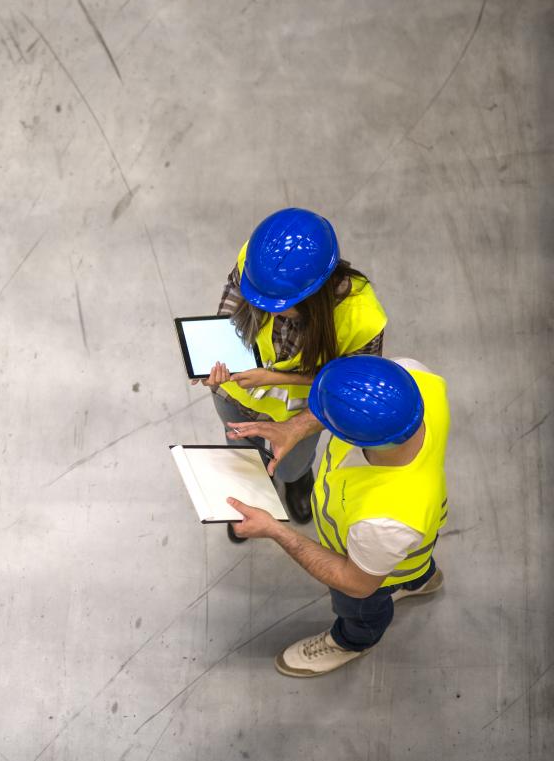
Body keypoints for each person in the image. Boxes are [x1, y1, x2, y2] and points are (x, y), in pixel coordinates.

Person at [225, 355, 448, 677]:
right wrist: (294, 428)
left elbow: (356, 583)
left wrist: (275, 530)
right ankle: (420, 579)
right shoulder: (416, 375)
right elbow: (357, 398)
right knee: (410, 561)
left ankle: (351, 642)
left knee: (359, 608)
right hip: (412, 538)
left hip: (370, 567)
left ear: (358, 438)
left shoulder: (384, 523)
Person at [192, 208, 387, 543]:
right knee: (241, 451)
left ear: (314, 295)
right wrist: (214, 358)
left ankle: (297, 481)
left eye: (275, 303)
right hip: (236, 395)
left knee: (291, 464)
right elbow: (234, 295)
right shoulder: (258, 261)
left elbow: (350, 392)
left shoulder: (361, 319)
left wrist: (277, 382)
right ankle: (249, 496)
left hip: (298, 416)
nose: (263, 307)